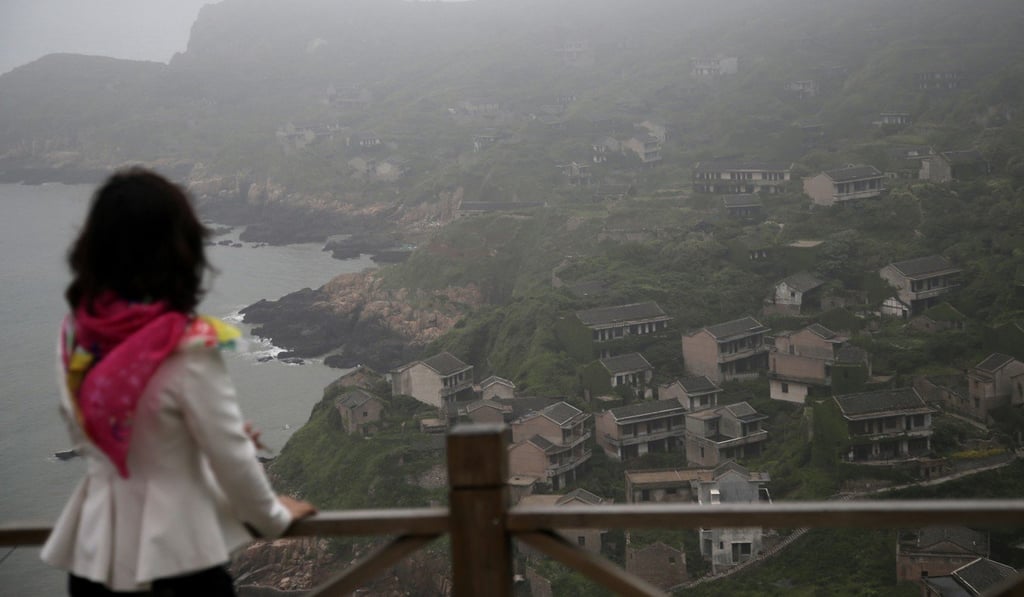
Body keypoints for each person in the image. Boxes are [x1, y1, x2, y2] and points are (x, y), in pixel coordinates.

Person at [41, 168, 316, 596]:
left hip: (96, 556)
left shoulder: (76, 334)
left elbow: (111, 442)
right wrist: (274, 516)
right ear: (177, 248)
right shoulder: (183, 342)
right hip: (177, 563)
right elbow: (229, 457)